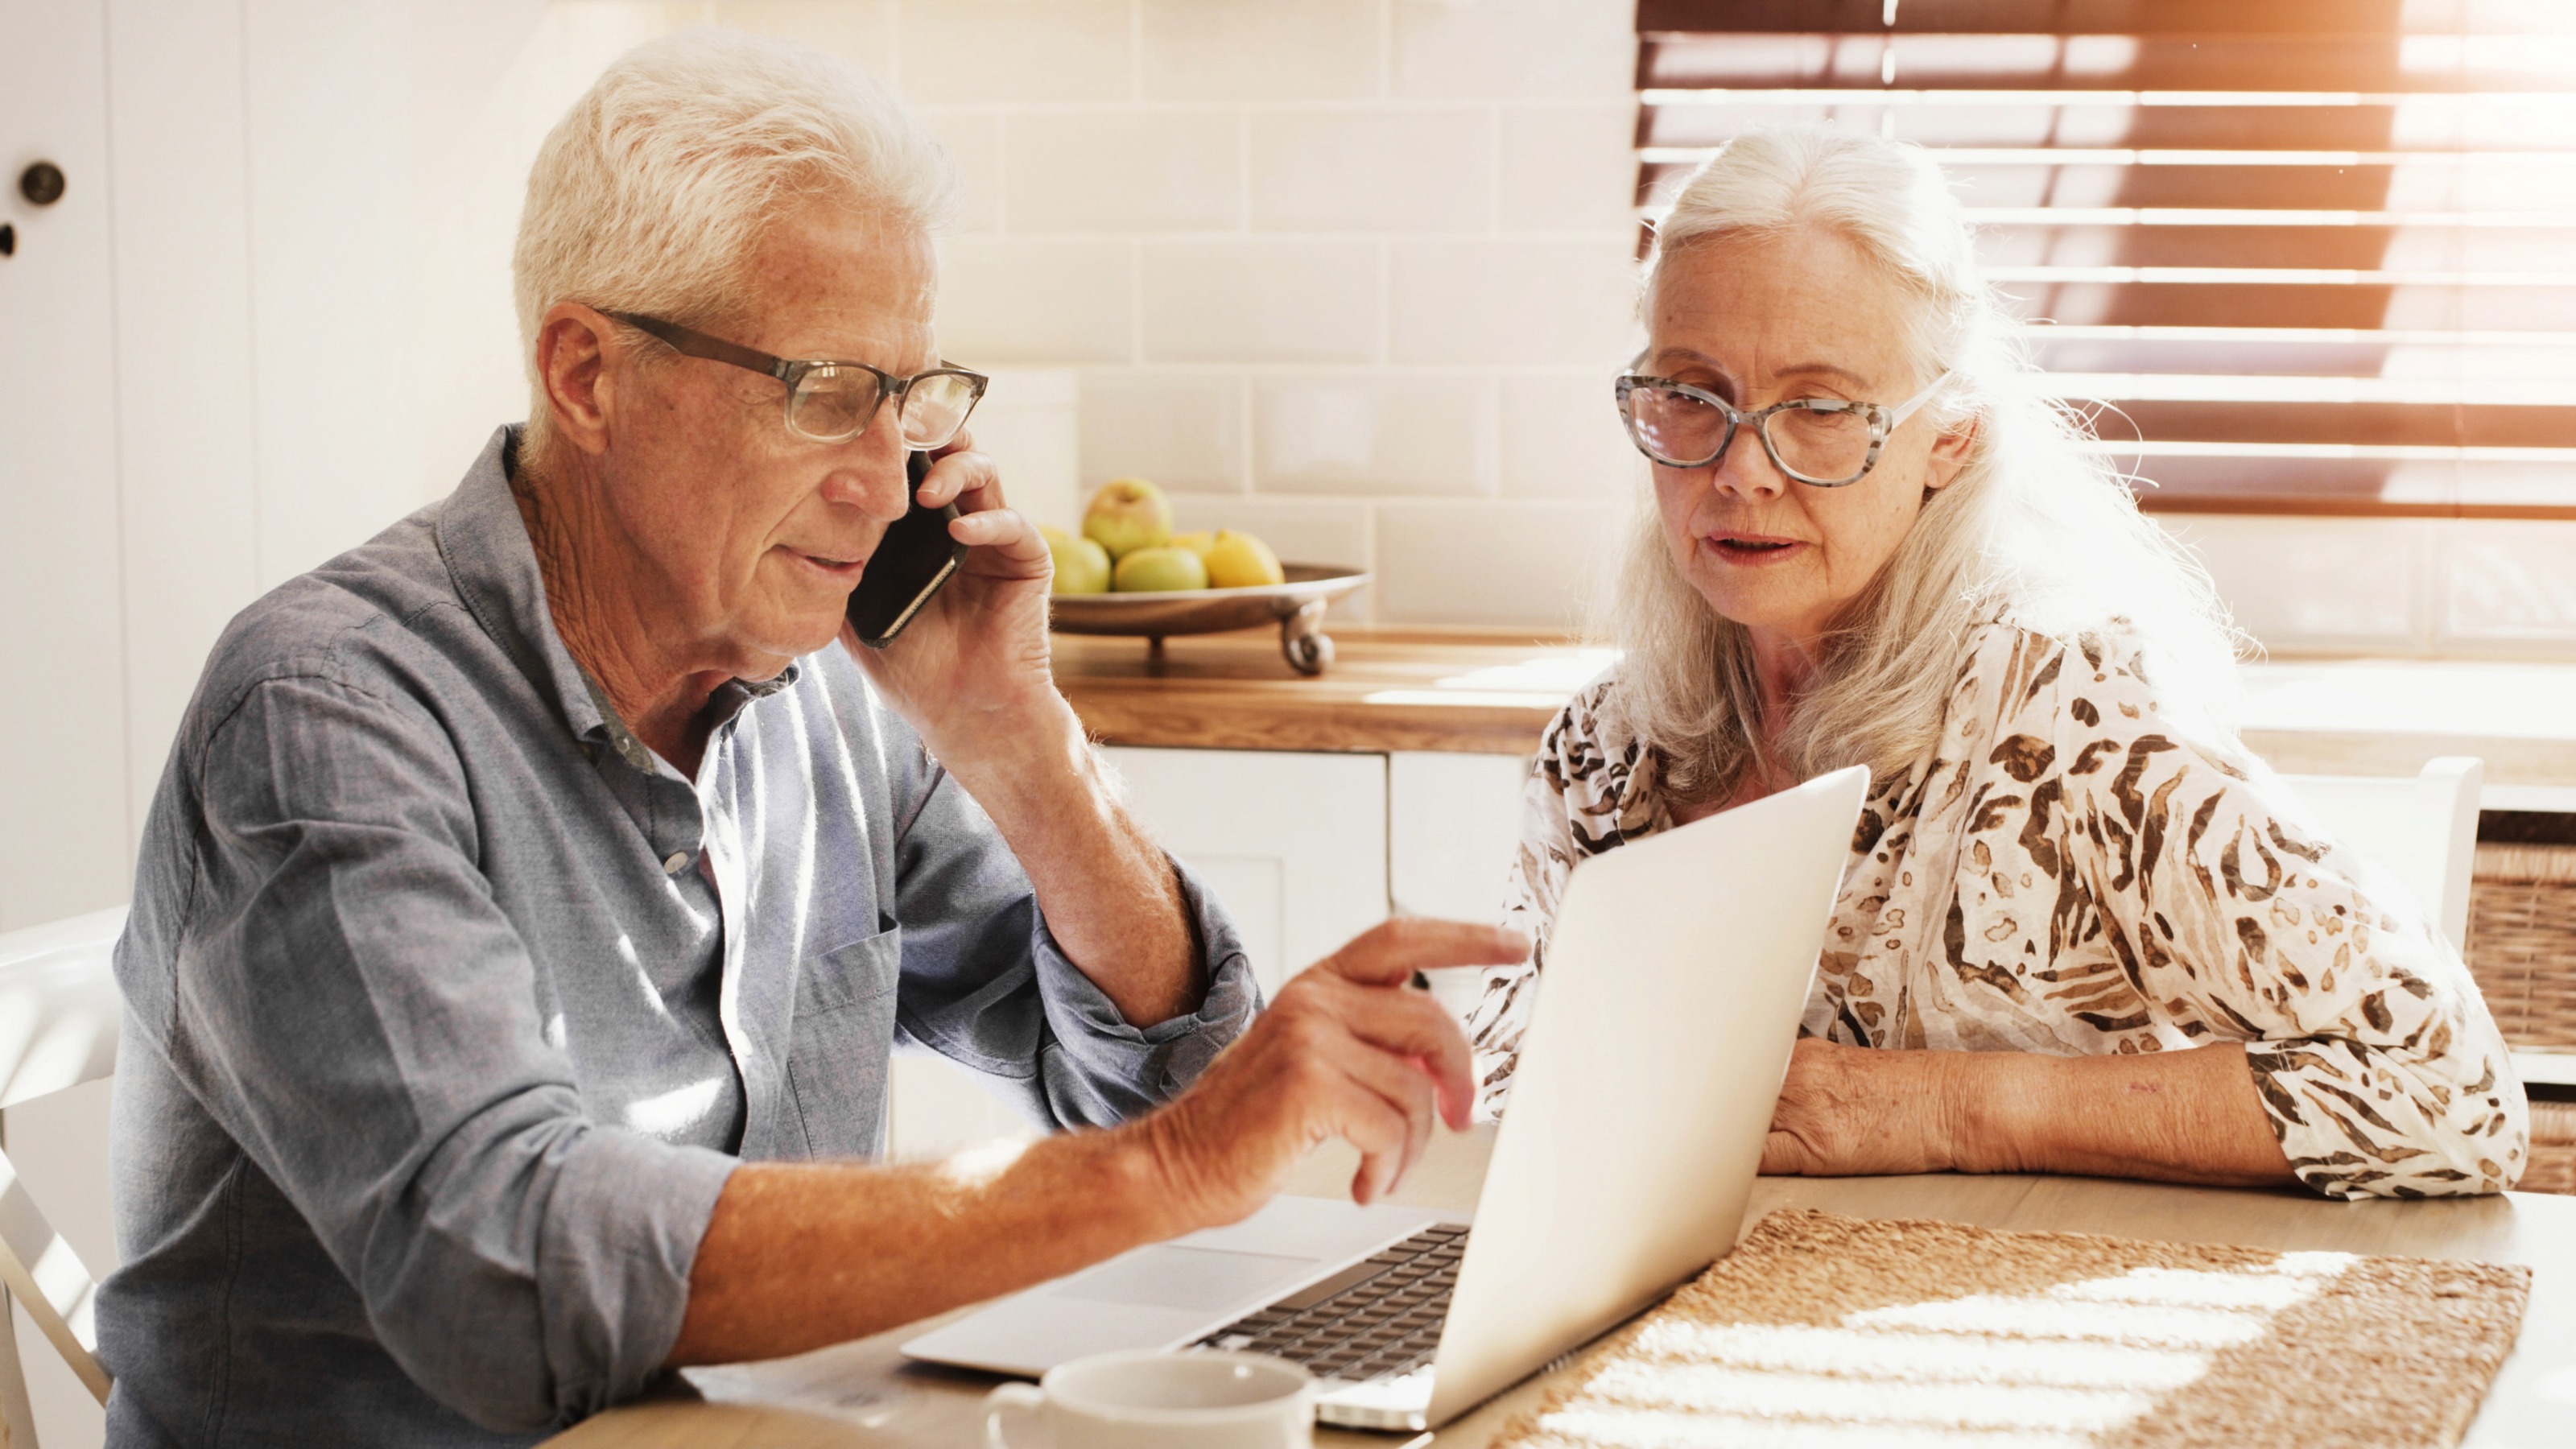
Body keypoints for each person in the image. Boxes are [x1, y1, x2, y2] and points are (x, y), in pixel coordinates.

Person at [99, 30, 1520, 1447]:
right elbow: (512, 1270)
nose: (886, 477)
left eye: (910, 401)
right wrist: (1165, 1166)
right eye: (826, 392)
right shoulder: (326, 712)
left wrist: (1018, 740)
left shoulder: (828, 689)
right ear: (588, 375)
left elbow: (1162, 1088)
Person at [1465, 126, 2525, 1202]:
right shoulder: (1606, 750)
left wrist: (1942, 1107)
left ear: (1951, 435)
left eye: (1821, 408)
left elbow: (2451, 1092)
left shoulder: (2074, 724)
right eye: (1692, 394)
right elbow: (1510, 1099)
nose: (1742, 470)